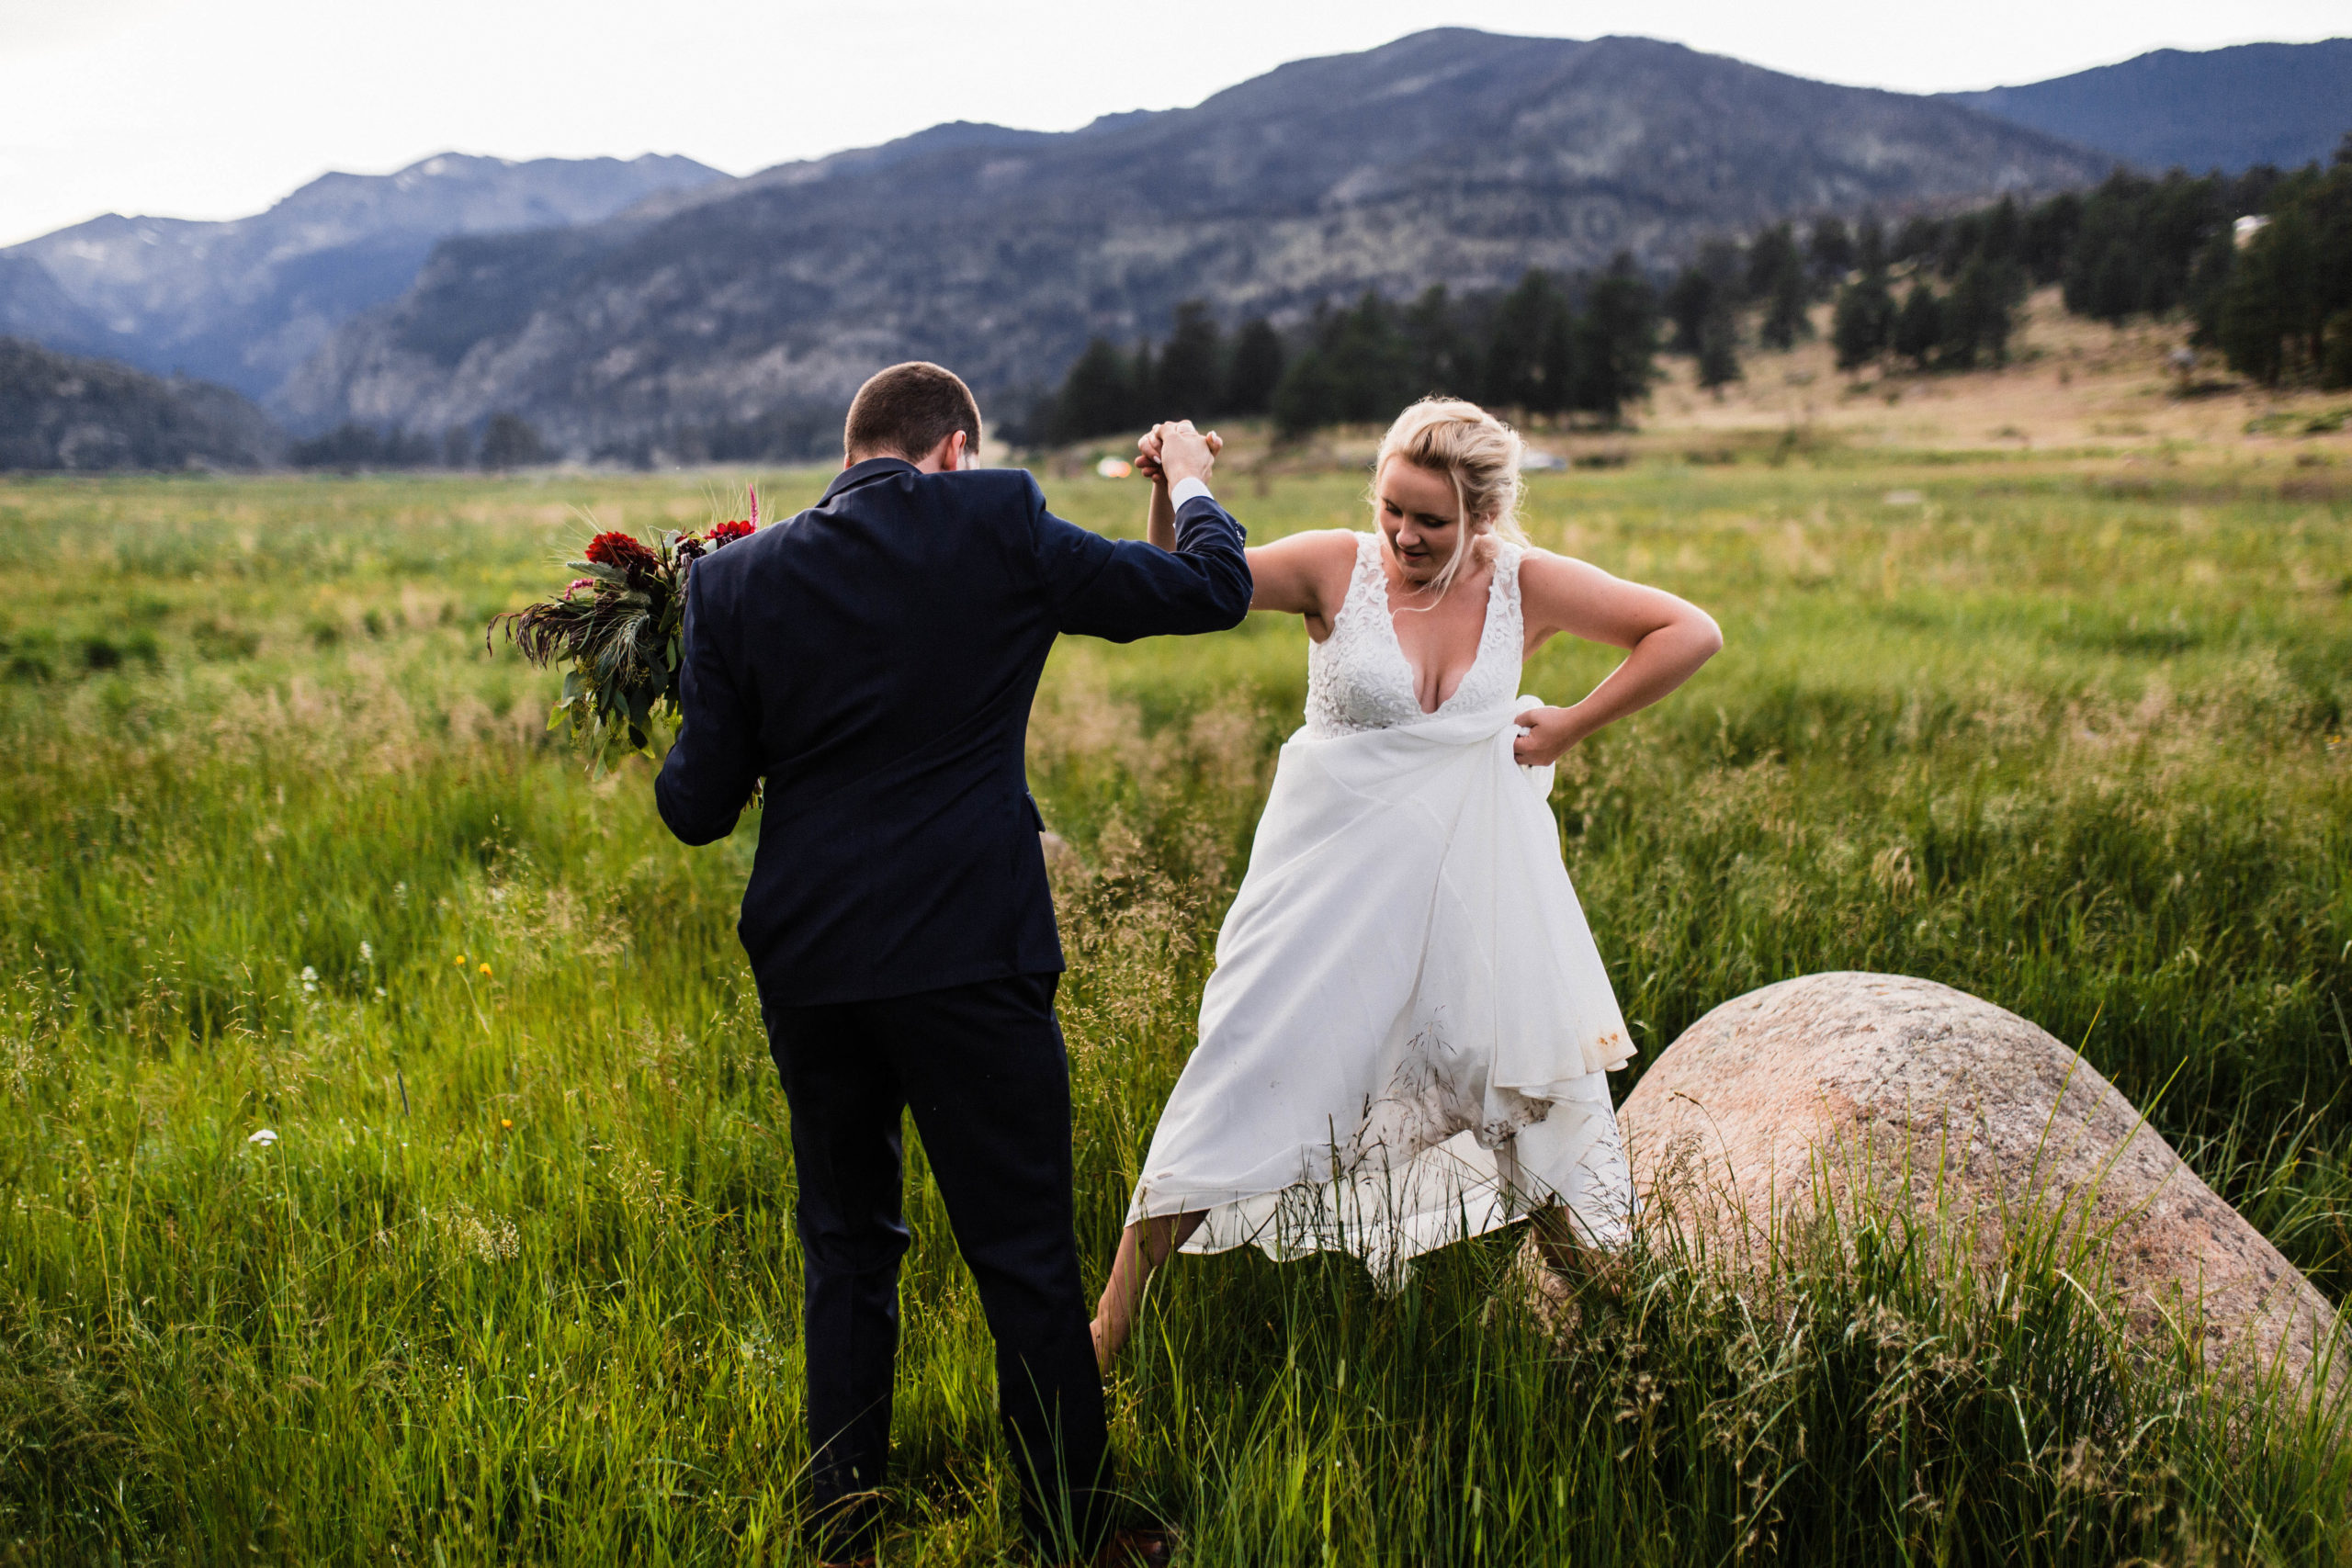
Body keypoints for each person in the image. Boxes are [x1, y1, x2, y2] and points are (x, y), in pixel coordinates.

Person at [655, 362, 1250, 1565]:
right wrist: (1187, 480)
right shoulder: (999, 520)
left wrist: (711, 676)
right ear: (955, 450)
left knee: (847, 1242)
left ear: (852, 453)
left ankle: (844, 1527)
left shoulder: (736, 578)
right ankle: (1068, 1533)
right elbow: (1207, 591)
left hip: (813, 963)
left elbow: (695, 807)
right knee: (1023, 1252)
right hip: (970, 952)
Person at [1092, 397, 1722, 1365]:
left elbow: (1687, 630)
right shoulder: (1332, 565)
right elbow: (1182, 586)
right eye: (1393, 507)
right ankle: (1103, 1335)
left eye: (1430, 520)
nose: (1404, 534)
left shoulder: (1523, 583)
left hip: (1466, 900)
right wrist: (1181, 486)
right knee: (1238, 1076)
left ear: (1481, 516)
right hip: (1319, 895)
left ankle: (1639, 1337)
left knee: (1512, 1101)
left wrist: (1570, 725)